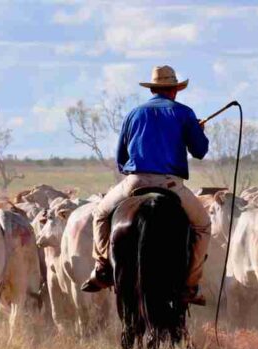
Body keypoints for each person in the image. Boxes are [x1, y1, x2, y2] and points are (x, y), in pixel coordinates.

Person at [81, 65, 211, 305]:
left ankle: (102, 268)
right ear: (174, 90)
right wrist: (198, 131)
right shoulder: (184, 113)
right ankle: (190, 285)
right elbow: (200, 151)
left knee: (100, 214)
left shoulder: (134, 113)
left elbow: (121, 157)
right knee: (203, 226)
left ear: (152, 89)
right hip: (171, 184)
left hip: (135, 181)